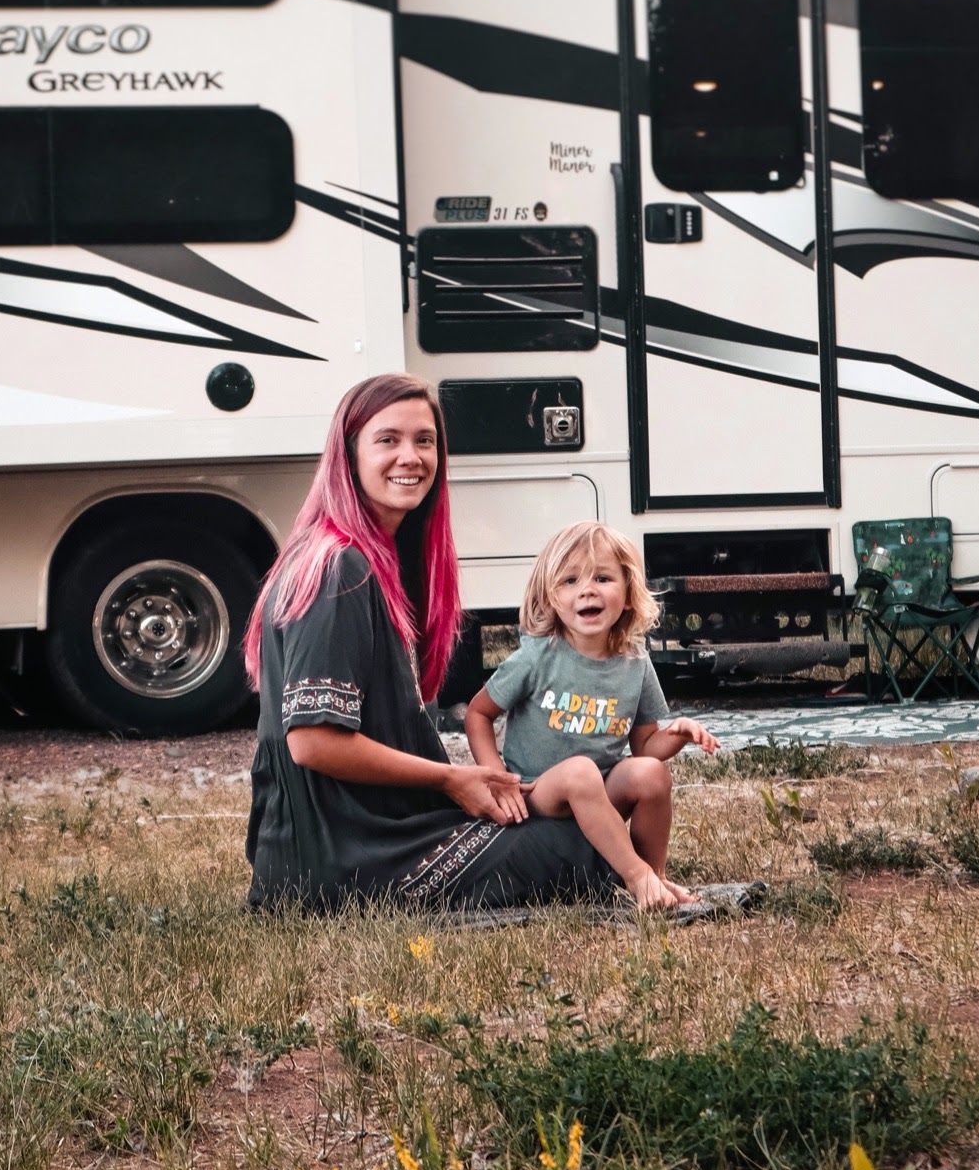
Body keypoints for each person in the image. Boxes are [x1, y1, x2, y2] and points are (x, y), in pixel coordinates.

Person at [243, 374, 619, 909]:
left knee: (582, 824)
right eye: (387, 440)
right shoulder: (338, 568)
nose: (411, 457)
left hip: (345, 836)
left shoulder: (367, 555)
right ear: (347, 454)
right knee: (578, 848)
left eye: (425, 441)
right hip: (340, 852)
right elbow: (313, 740)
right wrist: (451, 779)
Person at [463, 521, 719, 909]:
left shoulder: (635, 662)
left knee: (650, 775)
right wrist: (497, 779)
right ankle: (636, 876)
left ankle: (657, 877)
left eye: (602, 577)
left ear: (629, 593)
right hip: (538, 795)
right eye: (569, 581)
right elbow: (478, 714)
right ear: (550, 597)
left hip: (600, 795)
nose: (587, 589)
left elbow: (645, 746)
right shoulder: (538, 656)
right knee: (580, 771)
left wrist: (678, 734)